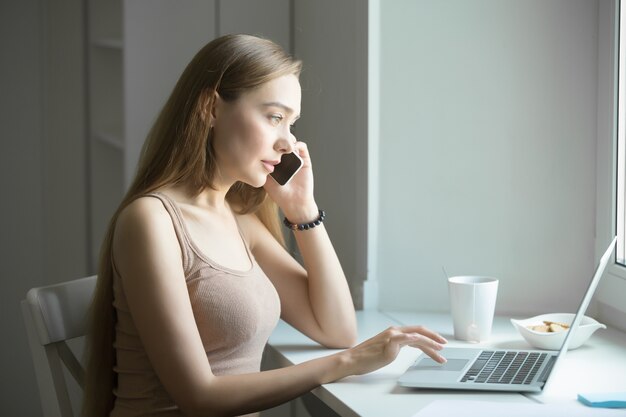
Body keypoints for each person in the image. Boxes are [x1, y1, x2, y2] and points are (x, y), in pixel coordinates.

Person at [83, 34, 447, 417]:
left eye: (291, 123)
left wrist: (303, 210)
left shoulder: (237, 218)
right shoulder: (151, 221)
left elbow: (336, 328)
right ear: (210, 108)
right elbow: (199, 396)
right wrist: (347, 363)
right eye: (274, 117)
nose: (287, 143)